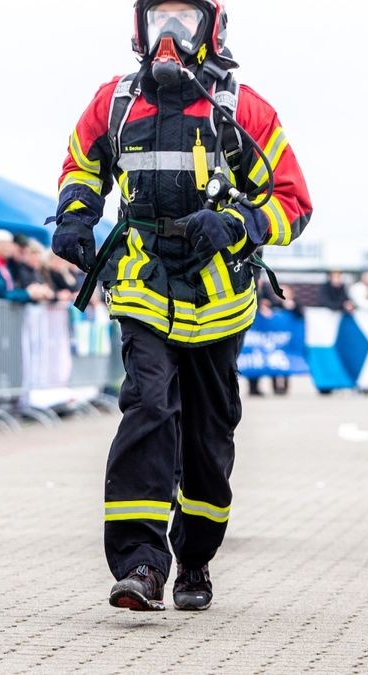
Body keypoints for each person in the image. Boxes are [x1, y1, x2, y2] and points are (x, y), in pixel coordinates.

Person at [49, 0, 312, 611]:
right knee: (147, 409)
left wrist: (241, 224)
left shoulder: (243, 108)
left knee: (208, 440)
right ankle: (140, 564)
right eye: (158, 21)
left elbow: (293, 202)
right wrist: (76, 212)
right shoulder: (113, 102)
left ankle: (194, 559)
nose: (170, 36)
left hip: (219, 294)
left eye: (183, 21)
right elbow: (82, 163)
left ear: (211, 30)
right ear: (139, 30)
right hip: (144, 281)